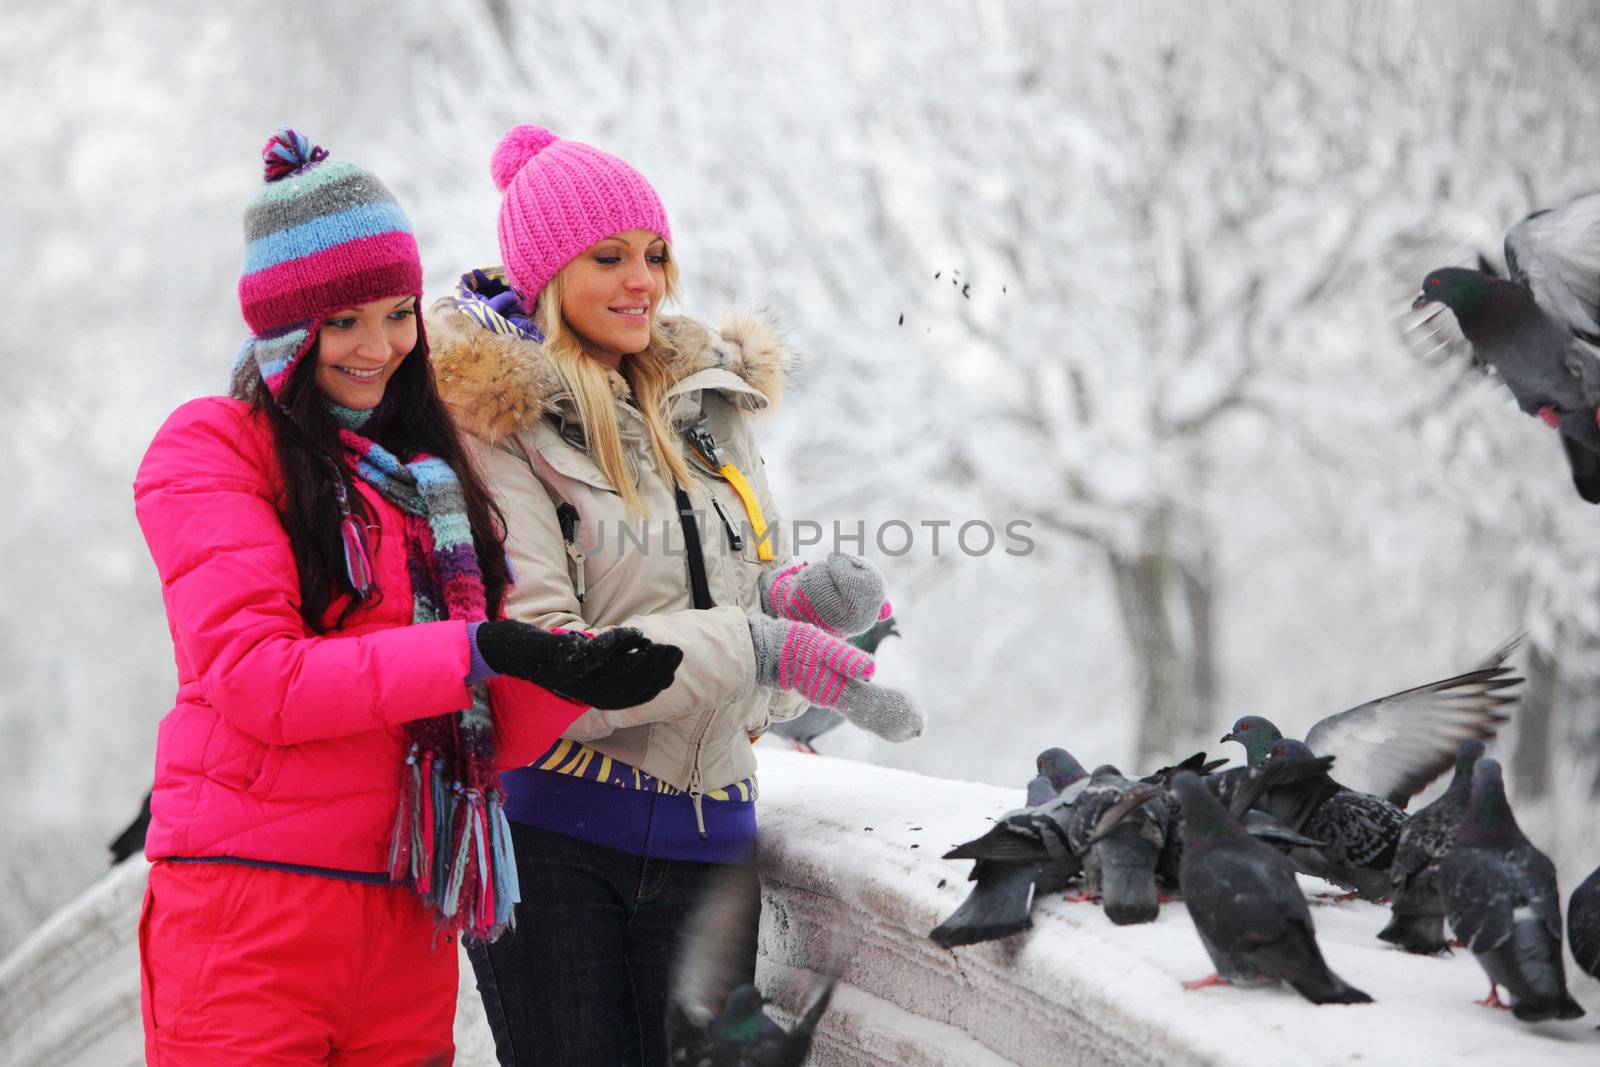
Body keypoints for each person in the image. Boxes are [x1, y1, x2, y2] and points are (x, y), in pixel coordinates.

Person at [131, 128, 683, 1065]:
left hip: (410, 914)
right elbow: (259, 678)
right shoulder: (214, 448)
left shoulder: (433, 479)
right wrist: (482, 650)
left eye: (396, 313)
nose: (379, 346)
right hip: (251, 914)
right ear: (284, 331)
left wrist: (572, 674)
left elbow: (470, 720)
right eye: (342, 322)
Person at [430, 124, 924, 1066]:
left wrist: (799, 620)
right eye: (608, 257)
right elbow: (544, 659)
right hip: (556, 845)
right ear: (545, 274)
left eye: (655, 254)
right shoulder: (499, 425)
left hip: (712, 846)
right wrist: (764, 644)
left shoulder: (712, 407)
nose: (642, 280)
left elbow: (759, 690)